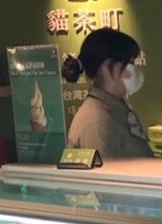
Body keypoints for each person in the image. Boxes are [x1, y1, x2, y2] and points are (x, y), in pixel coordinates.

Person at [61, 29, 153, 158]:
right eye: (130, 63)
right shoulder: (97, 122)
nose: (136, 69)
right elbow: (107, 170)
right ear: (108, 66)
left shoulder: (114, 108)